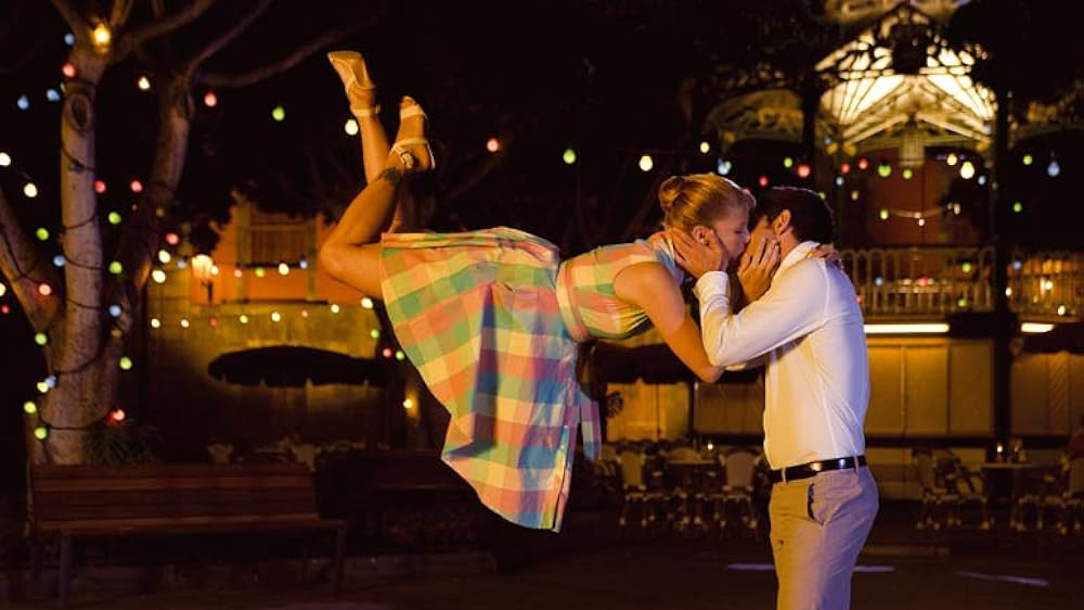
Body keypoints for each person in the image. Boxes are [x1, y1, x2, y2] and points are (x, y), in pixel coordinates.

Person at [317, 51, 759, 531]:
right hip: (518, 308)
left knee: (398, 240)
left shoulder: (661, 258)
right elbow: (710, 364)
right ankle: (404, 157)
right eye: (739, 231)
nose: (745, 242)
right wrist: (724, 281)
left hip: (528, 303)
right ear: (702, 236)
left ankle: (366, 110)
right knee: (336, 255)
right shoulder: (656, 277)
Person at [671, 187, 877, 610]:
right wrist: (748, 295)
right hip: (805, 488)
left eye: (750, 228)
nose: (744, 242)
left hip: (821, 489)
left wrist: (712, 278)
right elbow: (737, 357)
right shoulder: (802, 283)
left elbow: (723, 348)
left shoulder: (811, 276)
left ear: (781, 222)